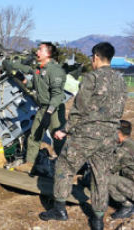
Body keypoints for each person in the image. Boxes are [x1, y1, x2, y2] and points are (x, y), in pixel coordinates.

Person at [39, 42, 127, 230]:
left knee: (64, 166)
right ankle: (97, 220)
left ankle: (59, 209)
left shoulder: (91, 78)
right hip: (109, 136)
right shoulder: (120, 81)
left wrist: (64, 129)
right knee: (100, 177)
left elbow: (79, 109)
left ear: (95, 57)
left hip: (86, 135)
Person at [2, 42, 66, 172]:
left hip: (54, 109)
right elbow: (32, 85)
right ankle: (30, 164)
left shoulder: (55, 71)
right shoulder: (40, 69)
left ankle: (67, 167)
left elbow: (57, 95)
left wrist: (49, 113)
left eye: (40, 50)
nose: (37, 52)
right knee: (35, 136)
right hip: (43, 108)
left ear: (48, 53)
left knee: (59, 138)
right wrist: (22, 79)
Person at [108, 120, 134, 219]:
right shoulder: (130, 144)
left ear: (118, 133)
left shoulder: (123, 150)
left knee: (104, 179)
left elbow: (111, 167)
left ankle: (127, 206)